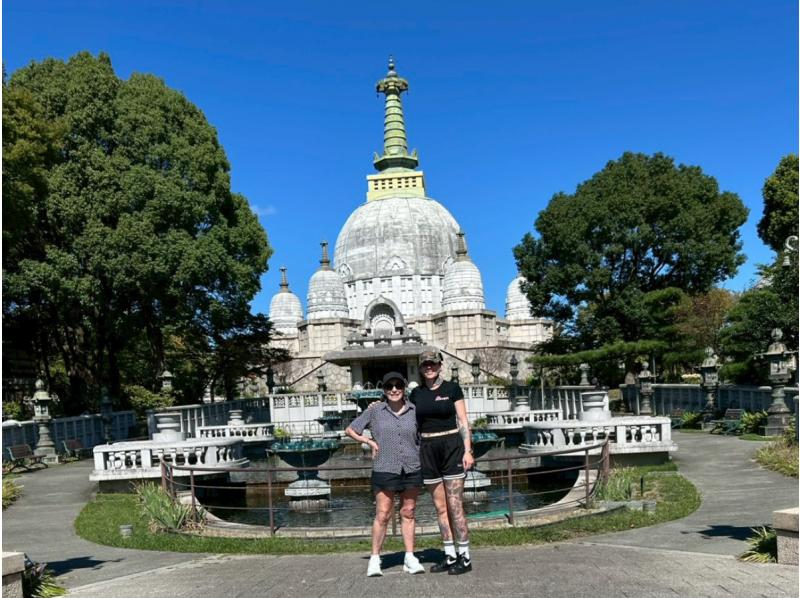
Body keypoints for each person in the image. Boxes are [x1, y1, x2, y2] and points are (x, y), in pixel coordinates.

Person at [345, 372, 426, 577]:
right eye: (389, 386)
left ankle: (409, 556)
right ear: (384, 390)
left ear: (404, 388)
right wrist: (369, 441)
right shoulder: (375, 411)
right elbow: (351, 429)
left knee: (408, 512)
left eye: (398, 385)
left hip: (411, 467)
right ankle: (375, 558)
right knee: (382, 514)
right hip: (385, 467)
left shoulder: (415, 410)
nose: (394, 390)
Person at [411, 350, 474, 575]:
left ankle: (465, 557)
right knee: (440, 508)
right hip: (428, 450)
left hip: (452, 448)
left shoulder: (452, 389)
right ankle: (449, 555)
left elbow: (463, 420)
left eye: (433, 364)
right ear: (420, 368)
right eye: (425, 364)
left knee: (455, 505)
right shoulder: (415, 394)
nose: (429, 367)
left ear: (440, 365)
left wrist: (468, 451)